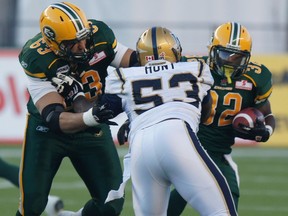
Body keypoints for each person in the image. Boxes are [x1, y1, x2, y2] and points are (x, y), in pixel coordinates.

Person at [92, 26, 236, 215]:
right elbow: (206, 110)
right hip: (176, 136)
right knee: (222, 212)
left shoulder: (124, 76)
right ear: (174, 51)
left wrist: (131, 120)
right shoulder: (195, 69)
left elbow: (104, 110)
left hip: (140, 148)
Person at [17, 2, 138, 216]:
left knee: (111, 203)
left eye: (84, 37)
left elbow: (136, 63)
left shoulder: (100, 35)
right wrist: (92, 115)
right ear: (54, 44)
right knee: (32, 206)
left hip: (91, 127)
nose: (83, 46)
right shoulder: (37, 58)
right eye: (73, 43)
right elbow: (55, 118)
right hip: (47, 134)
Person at [167, 22, 276, 215]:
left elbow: (267, 114)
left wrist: (265, 131)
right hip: (186, 146)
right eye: (225, 54)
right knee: (175, 197)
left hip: (219, 152)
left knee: (228, 207)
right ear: (212, 50)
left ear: (247, 58)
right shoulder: (189, 67)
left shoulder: (256, 77)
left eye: (237, 58)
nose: (229, 62)